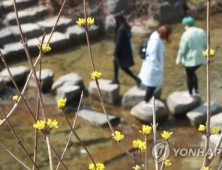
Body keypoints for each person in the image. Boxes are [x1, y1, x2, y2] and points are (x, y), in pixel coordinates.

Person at [138, 25, 172, 107]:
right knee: (151, 86)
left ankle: (149, 100)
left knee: (152, 85)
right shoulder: (155, 42)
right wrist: (157, 67)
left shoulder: (156, 38)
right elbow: (153, 57)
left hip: (152, 66)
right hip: (152, 67)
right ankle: (146, 102)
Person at [176, 16, 207, 98]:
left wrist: (178, 59)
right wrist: (208, 55)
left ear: (186, 25)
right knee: (193, 73)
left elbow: (182, 48)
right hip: (200, 59)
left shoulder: (186, 34)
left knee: (189, 75)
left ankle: (190, 93)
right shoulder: (201, 31)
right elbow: (206, 45)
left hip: (190, 61)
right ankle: (196, 90)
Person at [110, 13, 141, 86]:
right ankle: (115, 79)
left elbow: (118, 43)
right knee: (115, 63)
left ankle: (136, 79)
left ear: (117, 20)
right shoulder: (125, 26)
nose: (113, 21)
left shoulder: (121, 29)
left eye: (114, 19)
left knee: (123, 67)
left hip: (122, 51)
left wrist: (115, 54)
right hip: (125, 49)